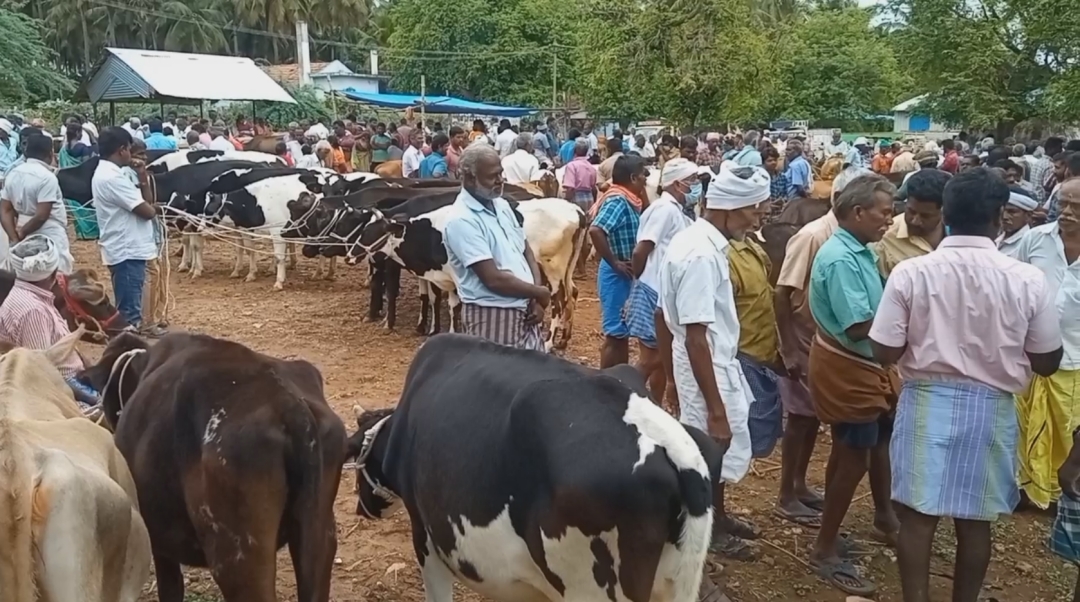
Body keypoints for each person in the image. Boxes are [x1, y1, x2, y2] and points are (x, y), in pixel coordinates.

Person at [870, 167, 1063, 602]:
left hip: (925, 401)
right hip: (991, 407)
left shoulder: (911, 273)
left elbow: (883, 350)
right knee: (975, 520)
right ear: (999, 216)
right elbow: (1048, 362)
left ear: (946, 214)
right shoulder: (1028, 279)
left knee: (918, 517)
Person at [659, 163, 766, 566]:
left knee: (715, 454)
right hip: (706, 364)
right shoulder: (701, 254)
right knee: (708, 448)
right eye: (753, 210)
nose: (758, 219)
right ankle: (698, 535)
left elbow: (663, 316)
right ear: (728, 208)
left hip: (704, 361)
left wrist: (672, 377)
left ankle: (716, 521)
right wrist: (716, 408)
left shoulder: (696, 241)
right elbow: (697, 334)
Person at [806, 173, 899, 596]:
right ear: (858, 212)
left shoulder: (856, 250)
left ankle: (882, 519)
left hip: (862, 367)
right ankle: (824, 547)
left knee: (865, 446)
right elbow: (859, 325)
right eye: (884, 212)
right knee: (852, 457)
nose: (889, 220)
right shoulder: (843, 259)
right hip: (851, 368)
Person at [1014, 177, 1080, 509]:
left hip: (1074, 363)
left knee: (1066, 430)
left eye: (1076, 208)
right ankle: (1025, 487)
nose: (1066, 212)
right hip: (1030, 355)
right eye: (1063, 204)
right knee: (1024, 424)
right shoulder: (1036, 240)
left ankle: (1057, 491)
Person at [443, 145, 549, 350]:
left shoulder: (501, 205)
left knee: (531, 378)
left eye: (501, 173)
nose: (501, 180)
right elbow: (493, 279)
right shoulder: (461, 220)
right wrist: (538, 292)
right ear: (470, 178)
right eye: (493, 176)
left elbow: (525, 250)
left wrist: (536, 297)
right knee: (502, 380)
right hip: (493, 313)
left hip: (526, 308)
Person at [720, 167, 784, 464]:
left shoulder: (748, 245)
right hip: (741, 355)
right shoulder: (719, 256)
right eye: (756, 214)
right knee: (741, 436)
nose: (760, 222)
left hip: (761, 350)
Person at [626, 159, 697, 401]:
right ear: (678, 184)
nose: (696, 186)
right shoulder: (664, 210)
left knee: (658, 359)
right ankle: (623, 395)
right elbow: (640, 251)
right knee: (654, 358)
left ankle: (653, 405)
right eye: (692, 181)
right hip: (653, 290)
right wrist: (642, 282)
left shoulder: (674, 210)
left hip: (658, 289)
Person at [0, 237, 99, 406]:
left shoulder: (24, 296)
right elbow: (43, 370)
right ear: (53, 274)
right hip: (66, 390)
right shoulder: (34, 311)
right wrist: (91, 400)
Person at [91, 127, 158, 333]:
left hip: (127, 246)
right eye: (129, 149)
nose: (131, 154)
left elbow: (148, 205)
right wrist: (155, 208)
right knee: (129, 314)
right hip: (127, 248)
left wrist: (142, 175)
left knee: (130, 305)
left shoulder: (109, 173)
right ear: (121, 150)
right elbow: (148, 210)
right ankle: (129, 352)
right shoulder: (113, 179)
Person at [589, 155, 647, 368]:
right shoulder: (618, 201)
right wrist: (614, 262)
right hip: (617, 274)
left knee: (622, 333)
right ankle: (608, 385)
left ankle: (616, 382)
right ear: (633, 177)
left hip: (626, 273)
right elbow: (596, 230)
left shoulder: (630, 198)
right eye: (643, 175)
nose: (646, 178)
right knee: (615, 336)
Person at [1, 133, 75, 274]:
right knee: (56, 272)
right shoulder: (47, 177)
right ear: (50, 153)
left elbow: (5, 210)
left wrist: (14, 237)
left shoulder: (13, 174)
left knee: (28, 272)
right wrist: (22, 233)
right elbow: (41, 215)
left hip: (22, 226)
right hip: (49, 231)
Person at [875, 168, 950, 277]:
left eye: (925, 216)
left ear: (943, 212)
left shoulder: (960, 233)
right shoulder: (885, 240)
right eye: (911, 211)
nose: (915, 221)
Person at [997, 188, 1037, 258]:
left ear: (1028, 216)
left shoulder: (1032, 244)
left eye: (1012, 212)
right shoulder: (995, 236)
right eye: (1002, 211)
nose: (1004, 216)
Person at [562, 139, 597, 212]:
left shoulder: (571, 166)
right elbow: (594, 188)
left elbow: (570, 188)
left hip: (576, 198)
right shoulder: (591, 167)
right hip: (589, 198)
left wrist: (565, 202)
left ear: (574, 151)